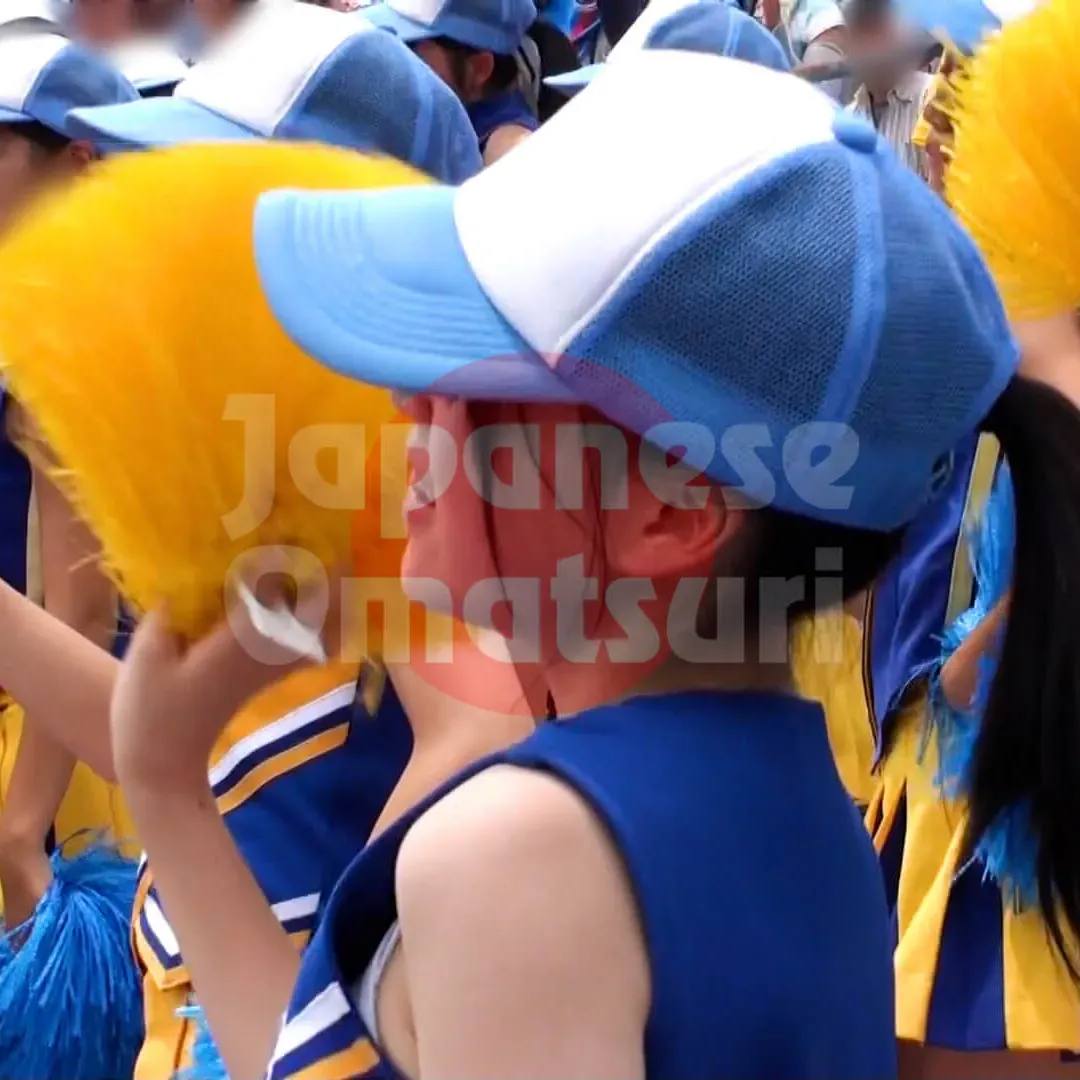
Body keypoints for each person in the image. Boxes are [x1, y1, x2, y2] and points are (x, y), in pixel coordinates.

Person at [0, 6, 496, 1076]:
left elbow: (477, 729)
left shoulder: (395, 468)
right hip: (194, 1023)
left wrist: (337, 981)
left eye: (210, 198)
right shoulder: (261, 475)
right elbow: (158, 746)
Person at [871, 0, 1080, 1075]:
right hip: (955, 797)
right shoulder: (978, 346)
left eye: (966, 98)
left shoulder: (1035, 381)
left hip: (1005, 836)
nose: (935, 132)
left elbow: (975, 671)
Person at [0, 31, 146, 1080]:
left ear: (80, 162)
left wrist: (20, 829)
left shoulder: (74, 327)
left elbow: (82, 604)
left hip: (53, 759)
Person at [359, 0, 562, 161]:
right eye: (388, 40)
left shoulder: (504, 142)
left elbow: (514, 152)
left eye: (411, 47)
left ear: (480, 69)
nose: (392, 55)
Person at [844, 0, 932, 177]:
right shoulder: (849, 119)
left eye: (879, 33)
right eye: (861, 36)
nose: (871, 48)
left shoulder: (930, 98)